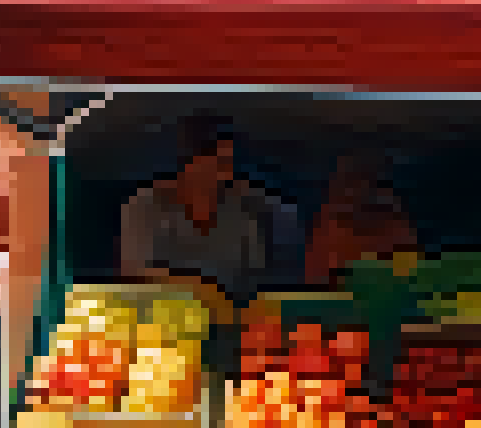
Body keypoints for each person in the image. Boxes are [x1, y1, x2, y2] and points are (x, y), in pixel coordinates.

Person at [118, 113, 301, 306]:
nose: (226, 175)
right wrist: (202, 292)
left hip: (229, 318)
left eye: (229, 164)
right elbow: (136, 277)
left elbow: (254, 290)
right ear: (187, 164)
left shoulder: (244, 212)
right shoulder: (145, 207)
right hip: (162, 316)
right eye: (218, 164)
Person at [305, 150, 419, 288]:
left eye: (359, 181)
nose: (351, 191)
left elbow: (410, 283)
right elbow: (315, 283)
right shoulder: (327, 228)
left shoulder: (397, 229)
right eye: (346, 183)